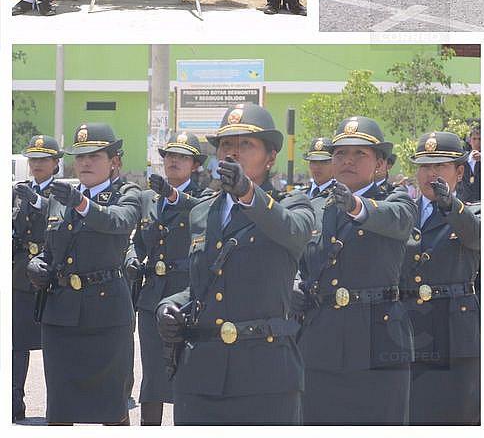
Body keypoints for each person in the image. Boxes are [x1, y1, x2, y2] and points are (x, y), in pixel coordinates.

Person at [156, 104, 314, 425]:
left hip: (265, 375)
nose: (234, 152)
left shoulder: (292, 204)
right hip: (202, 374)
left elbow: (295, 233)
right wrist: (169, 305)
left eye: (246, 145)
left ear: (270, 157)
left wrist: (247, 192)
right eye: (227, 144)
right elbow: (202, 286)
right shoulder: (202, 211)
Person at [296, 116, 415, 424]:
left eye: (359, 153)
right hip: (321, 341)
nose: (347, 160)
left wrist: (356, 206)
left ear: (379, 163)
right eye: (340, 153)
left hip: (379, 341)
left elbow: (399, 219)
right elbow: (295, 259)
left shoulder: (396, 199)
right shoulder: (314, 205)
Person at [26, 124, 140, 425]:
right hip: (61, 315)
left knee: (112, 407)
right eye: (80, 157)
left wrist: (81, 203)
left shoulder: (126, 194)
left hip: (106, 313)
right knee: (61, 408)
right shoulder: (60, 197)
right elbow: (50, 249)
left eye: (94, 155)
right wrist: (37, 263)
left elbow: (119, 222)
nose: (85, 162)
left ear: (114, 160)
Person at [125, 132, 209, 425]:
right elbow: (136, 241)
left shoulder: (205, 195)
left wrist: (173, 196)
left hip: (186, 293)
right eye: (170, 155)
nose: (174, 161)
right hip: (152, 295)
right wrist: (131, 259)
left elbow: (197, 211)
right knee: (153, 373)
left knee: (186, 370)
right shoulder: (148, 197)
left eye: (182, 157)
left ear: (195, 164)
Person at [401, 131, 480, 425]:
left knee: (452, 415)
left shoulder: (472, 212)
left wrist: (449, 205)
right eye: (424, 167)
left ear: (459, 172)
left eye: (440, 167)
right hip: (406, 328)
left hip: (453, 331)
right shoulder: (403, 212)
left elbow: (476, 236)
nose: (430, 174)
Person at [12, 135, 61, 422]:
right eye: (34, 159)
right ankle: (14, 401)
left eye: (43, 159)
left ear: (56, 163)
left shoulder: (64, 192)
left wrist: (40, 202)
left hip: (52, 277)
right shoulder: (18, 192)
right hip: (19, 277)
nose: (37, 164)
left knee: (56, 344)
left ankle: (60, 404)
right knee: (15, 344)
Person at [458, 124, 481, 203]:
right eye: (474, 139)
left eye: (480, 139)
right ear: (469, 140)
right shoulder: (464, 157)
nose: (477, 142)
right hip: (465, 200)